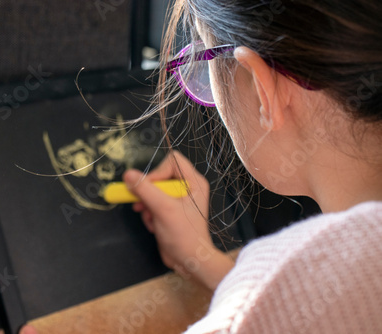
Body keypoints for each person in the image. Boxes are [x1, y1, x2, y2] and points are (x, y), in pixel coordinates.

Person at [120, 0, 382, 333]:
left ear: (261, 87)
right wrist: (206, 261)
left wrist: (251, 292)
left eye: (206, 58)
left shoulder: (269, 289)